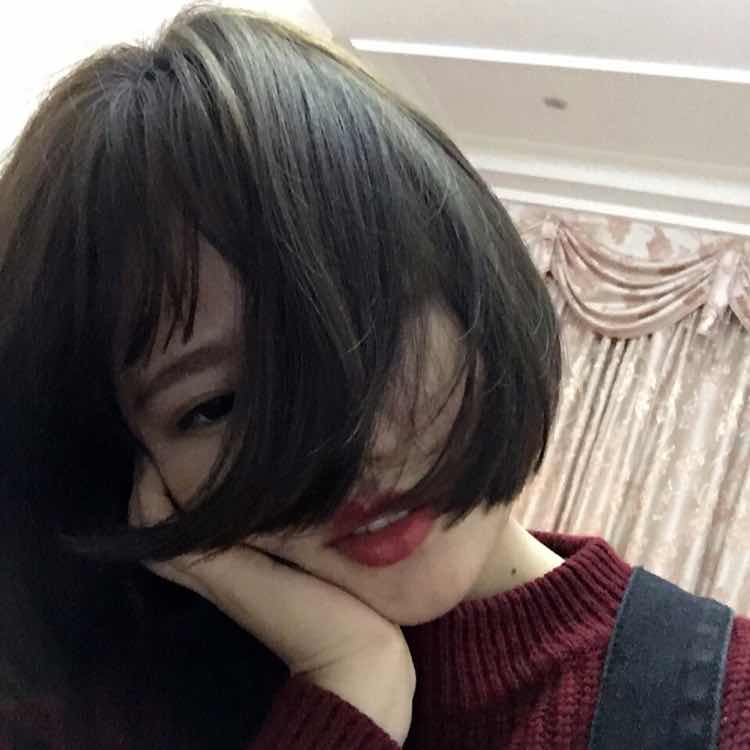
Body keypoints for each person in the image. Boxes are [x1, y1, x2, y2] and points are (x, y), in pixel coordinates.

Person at [0, 4, 747, 749]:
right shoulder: (90, 706)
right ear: (138, 467)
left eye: (378, 328)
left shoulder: (725, 709)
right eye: (216, 405)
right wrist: (347, 686)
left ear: (470, 277)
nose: (353, 451)